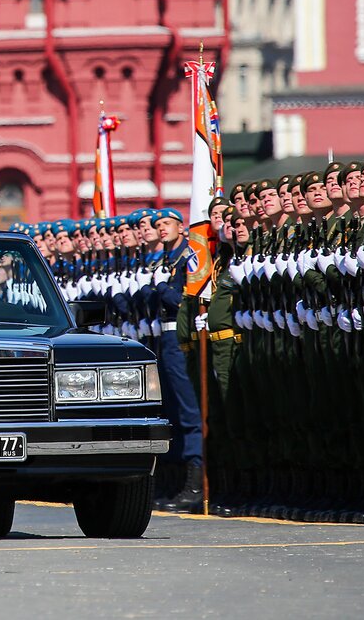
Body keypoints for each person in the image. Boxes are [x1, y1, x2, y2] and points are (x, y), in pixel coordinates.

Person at [150, 208, 205, 513]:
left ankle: (194, 483)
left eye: (167, 224)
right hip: (163, 338)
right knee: (169, 410)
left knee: (187, 410)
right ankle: (174, 481)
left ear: (181, 228)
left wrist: (160, 286)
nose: (162, 229)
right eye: (158, 225)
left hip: (179, 337)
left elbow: (182, 299)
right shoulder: (165, 261)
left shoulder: (188, 258)